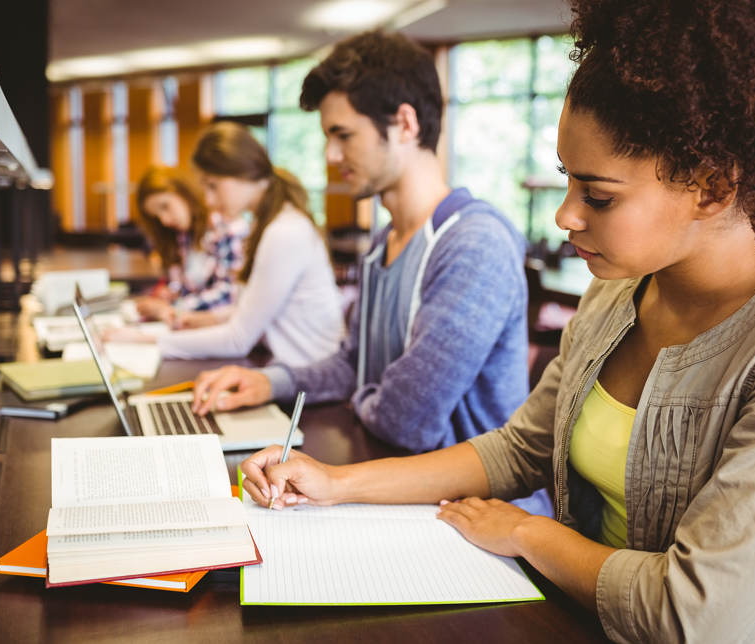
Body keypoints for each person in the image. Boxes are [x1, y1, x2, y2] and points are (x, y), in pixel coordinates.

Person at [237, 1, 755, 642]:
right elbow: (518, 448)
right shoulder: (616, 294)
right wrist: (332, 482)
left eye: (598, 196)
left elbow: (694, 613)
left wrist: (527, 532)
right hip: (564, 611)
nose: (565, 217)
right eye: (566, 183)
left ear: (712, 186)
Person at [192, 31, 548, 514]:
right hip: (401, 490)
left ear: (404, 123)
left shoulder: (472, 243)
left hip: (479, 518)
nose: (330, 157)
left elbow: (407, 420)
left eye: (343, 135)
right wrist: (268, 383)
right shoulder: (383, 242)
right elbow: (353, 365)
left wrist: (363, 394)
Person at [113, 122, 345, 367]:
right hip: (288, 368)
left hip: (312, 380)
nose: (209, 200)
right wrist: (202, 319)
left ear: (242, 170)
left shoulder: (284, 232)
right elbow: (253, 310)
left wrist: (146, 341)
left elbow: (238, 340)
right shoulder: (268, 224)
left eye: (213, 186)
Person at [131, 165, 248, 328]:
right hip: (195, 330)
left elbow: (228, 297)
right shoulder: (184, 237)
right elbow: (194, 288)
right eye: (157, 217)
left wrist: (171, 309)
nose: (164, 220)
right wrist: (171, 295)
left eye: (165, 206)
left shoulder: (229, 229)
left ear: (184, 192)